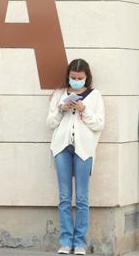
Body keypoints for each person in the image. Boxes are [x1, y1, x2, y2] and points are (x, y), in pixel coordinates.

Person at [46, 59, 105, 256]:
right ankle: (65, 241)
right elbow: (50, 123)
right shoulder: (59, 94)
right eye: (73, 78)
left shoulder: (95, 96)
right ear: (68, 76)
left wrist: (84, 110)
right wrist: (61, 109)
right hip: (62, 147)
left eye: (80, 78)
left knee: (81, 198)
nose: (76, 81)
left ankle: (79, 243)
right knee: (64, 198)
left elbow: (99, 124)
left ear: (86, 77)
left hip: (84, 149)